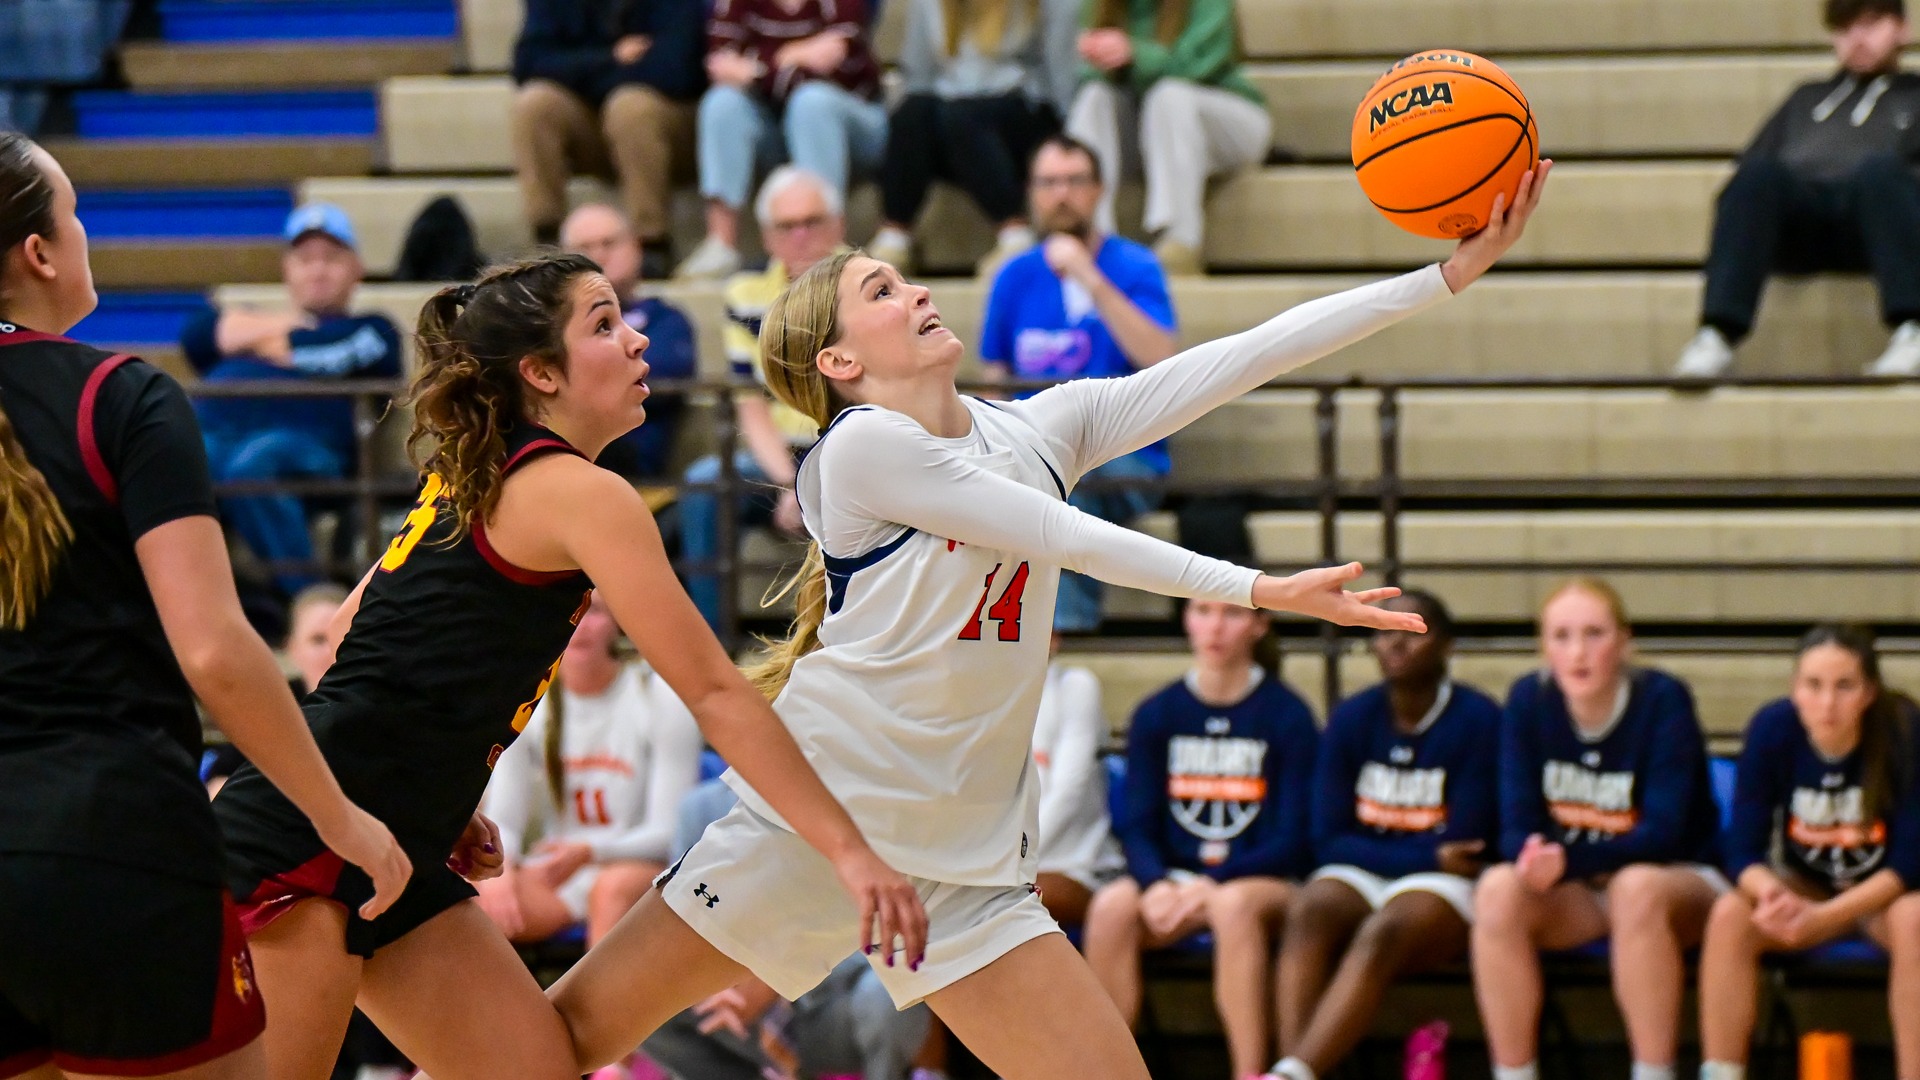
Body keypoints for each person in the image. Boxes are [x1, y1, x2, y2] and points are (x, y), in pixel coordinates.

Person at [536, 158, 1548, 1080]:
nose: (918, 291)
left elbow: (1242, 357)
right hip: (819, 827)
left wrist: (1444, 280)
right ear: (839, 364)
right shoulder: (854, 452)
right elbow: (1064, 537)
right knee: (561, 1042)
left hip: (965, 866)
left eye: (905, 280)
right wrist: (1257, 589)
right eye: (881, 293)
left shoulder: (1037, 429)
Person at [207, 252, 925, 1080]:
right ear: (542, 373)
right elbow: (716, 693)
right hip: (306, 839)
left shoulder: (468, 478)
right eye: (605, 323)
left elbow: (342, 635)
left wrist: (439, 783)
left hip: (394, 834)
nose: (637, 337)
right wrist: (848, 849)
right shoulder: (583, 494)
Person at [0, 132, 407, 1080]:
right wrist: (340, 819)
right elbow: (216, 653)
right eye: (76, 213)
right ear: (41, 253)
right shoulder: (121, 396)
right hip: (109, 841)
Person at [1472, 577, 1727, 1080]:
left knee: (1636, 886)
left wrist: (1568, 860)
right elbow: (1514, 824)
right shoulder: (1528, 700)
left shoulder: (1663, 700)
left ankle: (1653, 1071)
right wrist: (1535, 860)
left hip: (1679, 885)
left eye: (1595, 634)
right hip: (1582, 891)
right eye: (1562, 636)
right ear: (1544, 646)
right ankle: (1513, 1072)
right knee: (1498, 888)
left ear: (1625, 642)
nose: (1578, 652)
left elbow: (1667, 833)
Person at [1269, 591, 1501, 1080]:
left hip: (1440, 887)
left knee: (1384, 930)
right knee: (1308, 908)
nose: (1394, 643)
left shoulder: (1479, 720)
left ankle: (1289, 1074)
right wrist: (1428, 855)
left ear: (1446, 645)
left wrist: (1412, 858)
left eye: (1412, 630)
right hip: (1391, 867)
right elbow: (1326, 839)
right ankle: (1291, 1070)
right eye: (1383, 632)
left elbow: (1470, 845)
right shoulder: (1352, 717)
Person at [1084, 600, 1318, 1079]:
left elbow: (1294, 837)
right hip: (1176, 881)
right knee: (1111, 905)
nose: (1214, 627)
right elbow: (1138, 824)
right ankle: (1101, 1070)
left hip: (1261, 880)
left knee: (1232, 905)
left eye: (1231, 613)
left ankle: (1249, 1071)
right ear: (1186, 619)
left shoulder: (1288, 715)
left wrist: (1212, 883)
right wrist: (1155, 883)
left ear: (1259, 624)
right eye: (1202, 611)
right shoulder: (1158, 712)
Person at [1697, 624, 1920, 1080]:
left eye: (1844, 686)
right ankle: (1720, 1072)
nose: (1827, 703)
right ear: (1794, 689)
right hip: (1808, 889)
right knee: (1729, 914)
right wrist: (1773, 896)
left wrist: (1829, 916)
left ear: (1869, 693)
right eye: (1813, 686)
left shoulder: (1904, 731)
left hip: (1884, 899)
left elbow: (1910, 864)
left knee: (1917, 920)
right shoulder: (1773, 729)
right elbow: (1741, 850)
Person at [979, 134, 1178, 633]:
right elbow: (994, 382)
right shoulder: (1013, 277)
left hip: (1123, 457)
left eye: (1074, 181)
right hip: (1030, 450)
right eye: (1049, 183)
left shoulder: (1134, 267)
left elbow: (1162, 357)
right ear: (1032, 193)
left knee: (1064, 476)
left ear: (1098, 191)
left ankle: (1060, 639)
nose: (1061, 194)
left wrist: (1090, 279)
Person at [1675, 0, 1920, 378]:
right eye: (1844, 27)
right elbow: (1750, 176)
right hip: (1803, 227)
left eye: (1871, 24)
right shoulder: (1806, 98)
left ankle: (1913, 329)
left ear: (1902, 29)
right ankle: (1716, 335)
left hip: (1881, 227)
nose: (1858, 38)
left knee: (1880, 171)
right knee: (1757, 174)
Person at [179, 203, 403, 595]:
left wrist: (256, 337)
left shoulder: (373, 329)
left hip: (310, 451)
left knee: (254, 463)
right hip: (218, 439)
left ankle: (311, 605)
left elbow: (350, 351)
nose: (317, 270)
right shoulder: (273, 323)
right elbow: (198, 336)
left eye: (332, 259)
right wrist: (290, 330)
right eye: (305, 259)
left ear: (356, 269)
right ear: (287, 270)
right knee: (173, 460)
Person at [642, 782, 934, 1080]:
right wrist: (715, 983)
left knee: (888, 993)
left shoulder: (843, 794)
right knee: (645, 1002)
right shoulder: (698, 807)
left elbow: (885, 933)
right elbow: (686, 917)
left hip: (828, 1004)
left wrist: (773, 978)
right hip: (735, 1004)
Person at [477, 591, 704, 946]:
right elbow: (505, 818)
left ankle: (599, 1003)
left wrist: (589, 852)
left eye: (593, 612)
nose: (578, 625)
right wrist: (496, 870)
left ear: (617, 622)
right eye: (567, 612)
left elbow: (668, 832)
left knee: (610, 889)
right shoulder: (528, 701)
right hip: (560, 870)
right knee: (469, 898)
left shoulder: (657, 695)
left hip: (636, 862)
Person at [680, 167, 846, 632]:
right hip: (777, 455)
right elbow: (749, 402)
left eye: (812, 222)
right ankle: (711, 644)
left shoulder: (867, 286)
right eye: (785, 227)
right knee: (705, 485)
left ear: (839, 226)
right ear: (768, 237)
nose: (800, 237)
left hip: (850, 446)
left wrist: (813, 481)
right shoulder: (745, 293)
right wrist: (789, 482)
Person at [867, 0, 1080, 277]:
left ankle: (1015, 235)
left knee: (962, 115)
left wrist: (1068, 144)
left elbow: (1061, 72)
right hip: (951, 117)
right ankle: (895, 238)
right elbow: (917, 75)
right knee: (912, 112)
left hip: (1023, 112)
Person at [675, 0, 885, 279]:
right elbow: (721, 65)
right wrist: (789, 58)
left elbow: (835, 62)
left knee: (811, 101)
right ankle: (721, 243)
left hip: (854, 122)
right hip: (773, 122)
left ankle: (827, 246)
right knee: (722, 102)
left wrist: (759, 68)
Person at [1064, 0, 1271, 275]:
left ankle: (1180, 240)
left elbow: (1199, 65)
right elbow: (1081, 79)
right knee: (1094, 98)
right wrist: (1095, 57)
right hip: (1145, 129)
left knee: (1168, 95)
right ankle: (1088, 235)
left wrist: (1134, 53)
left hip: (1228, 118)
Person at [510, 0, 706, 268]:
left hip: (670, 127)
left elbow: (676, 71)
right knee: (534, 103)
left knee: (629, 106)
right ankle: (546, 240)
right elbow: (528, 63)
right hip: (593, 122)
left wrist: (581, 72)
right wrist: (611, 58)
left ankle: (651, 241)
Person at [560, 203, 698, 481]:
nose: (598, 256)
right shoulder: (549, 324)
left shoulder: (667, 320)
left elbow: (662, 367)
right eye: (585, 247)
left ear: (636, 247)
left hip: (632, 467)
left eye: (609, 243)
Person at [203, 582, 351, 796]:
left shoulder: (381, 704)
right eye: (318, 640)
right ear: (292, 649)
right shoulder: (269, 706)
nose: (331, 652)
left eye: (342, 638)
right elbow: (218, 784)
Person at [1031, 633, 1126, 927]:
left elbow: (1068, 793)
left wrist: (1003, 863)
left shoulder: (1074, 686)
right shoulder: (975, 695)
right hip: (998, 868)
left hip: (1075, 866)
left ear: (1053, 638)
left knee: (987, 904)